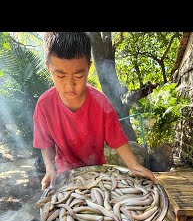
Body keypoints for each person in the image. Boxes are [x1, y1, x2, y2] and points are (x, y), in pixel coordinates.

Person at [33, 32, 158, 190]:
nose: (70, 86)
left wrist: (133, 165)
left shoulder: (101, 102)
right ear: (48, 67)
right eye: (61, 75)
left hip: (97, 172)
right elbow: (45, 143)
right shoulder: (44, 105)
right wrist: (50, 169)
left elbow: (117, 138)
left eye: (78, 76)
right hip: (66, 174)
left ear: (89, 67)